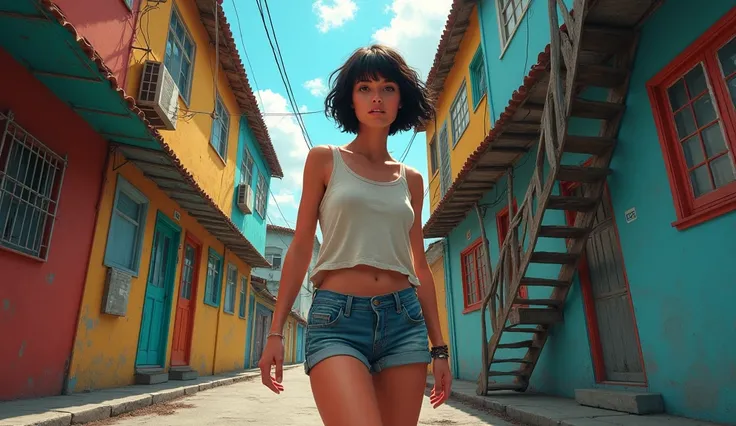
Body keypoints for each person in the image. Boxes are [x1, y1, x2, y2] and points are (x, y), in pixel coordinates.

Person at [258, 44, 452, 426]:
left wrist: (440, 349)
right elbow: (299, 247)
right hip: (337, 321)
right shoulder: (325, 160)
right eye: (364, 88)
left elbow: (420, 266)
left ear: (401, 99)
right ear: (351, 98)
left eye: (388, 88)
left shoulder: (411, 180)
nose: (376, 98)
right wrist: (275, 331)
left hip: (404, 322)